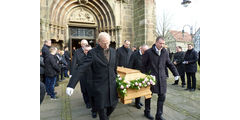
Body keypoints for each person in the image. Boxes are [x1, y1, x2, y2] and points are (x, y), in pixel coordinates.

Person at [66, 32, 118, 120]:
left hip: (112, 85)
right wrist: (71, 85)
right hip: (100, 87)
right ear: (99, 41)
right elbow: (81, 68)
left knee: (113, 106)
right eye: (104, 43)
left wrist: (116, 77)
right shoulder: (92, 53)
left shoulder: (113, 51)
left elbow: (114, 67)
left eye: (108, 42)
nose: (106, 45)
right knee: (102, 110)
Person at [142, 36, 179, 120]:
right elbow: (143, 65)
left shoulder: (165, 52)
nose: (162, 45)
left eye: (163, 43)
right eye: (160, 43)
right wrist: (146, 76)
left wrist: (176, 74)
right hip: (151, 78)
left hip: (162, 78)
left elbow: (169, 63)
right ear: (156, 43)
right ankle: (147, 112)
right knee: (148, 96)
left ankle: (159, 115)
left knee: (162, 96)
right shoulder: (148, 52)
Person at [128, 44, 149, 109]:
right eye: (145, 51)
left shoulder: (146, 54)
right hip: (135, 74)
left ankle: (138, 101)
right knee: (137, 89)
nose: (146, 52)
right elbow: (130, 64)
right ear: (141, 49)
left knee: (141, 89)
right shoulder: (134, 54)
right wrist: (130, 74)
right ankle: (137, 103)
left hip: (143, 74)